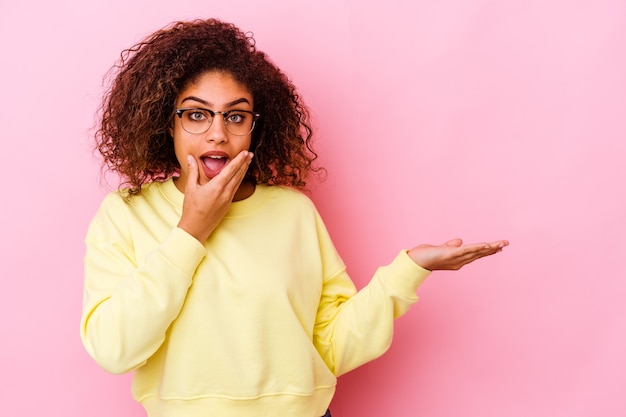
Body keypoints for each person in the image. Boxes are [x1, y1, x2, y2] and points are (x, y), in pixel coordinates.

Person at [80, 18, 508, 417]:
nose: (217, 133)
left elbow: (329, 348)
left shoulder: (292, 212)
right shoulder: (127, 215)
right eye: (196, 114)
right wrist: (191, 229)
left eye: (235, 115)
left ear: (254, 127)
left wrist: (409, 269)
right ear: (166, 124)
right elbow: (113, 350)